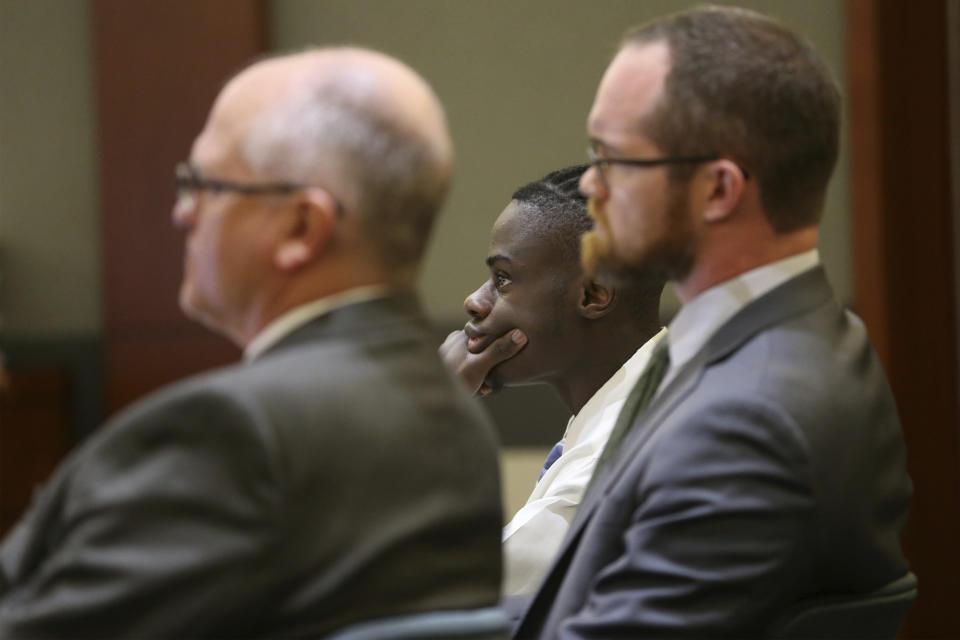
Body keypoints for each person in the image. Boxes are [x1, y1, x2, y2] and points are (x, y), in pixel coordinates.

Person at [0, 48, 503, 638]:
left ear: (299, 228)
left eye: (203, 185)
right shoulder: (453, 420)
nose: (181, 214)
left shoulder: (229, 433)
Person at [514, 7, 912, 638]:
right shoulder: (812, 336)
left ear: (719, 190)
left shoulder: (747, 419)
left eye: (612, 157)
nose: (590, 183)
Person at [441, 165, 665, 597]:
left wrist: (433, 412)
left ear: (594, 294)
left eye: (503, 280)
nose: (475, 301)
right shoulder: (669, 386)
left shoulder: (607, 465)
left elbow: (437, 596)